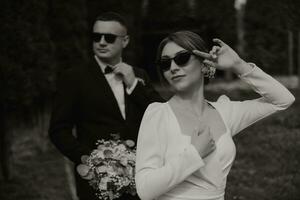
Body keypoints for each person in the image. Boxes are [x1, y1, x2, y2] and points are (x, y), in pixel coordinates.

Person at [135, 30, 295, 200]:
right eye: (165, 63)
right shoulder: (158, 114)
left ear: (205, 65)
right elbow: (145, 190)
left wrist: (238, 65)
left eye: (182, 58)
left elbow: (283, 100)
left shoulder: (225, 111)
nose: (173, 68)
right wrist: (194, 154)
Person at [49, 12, 163, 200]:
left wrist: (133, 84)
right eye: (96, 37)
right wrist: (87, 159)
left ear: (125, 41)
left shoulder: (139, 74)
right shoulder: (73, 78)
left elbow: (161, 115)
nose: (101, 42)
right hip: (97, 182)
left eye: (109, 38)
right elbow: (58, 130)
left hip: (142, 180)